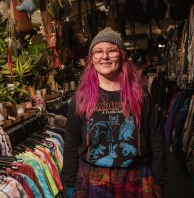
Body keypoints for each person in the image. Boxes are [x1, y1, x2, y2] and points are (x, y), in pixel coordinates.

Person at [61, 27, 167, 198]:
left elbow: (156, 137)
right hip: (93, 182)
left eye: (112, 51)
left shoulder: (141, 95)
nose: (105, 56)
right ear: (92, 59)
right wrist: (70, 182)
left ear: (122, 56)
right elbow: (72, 141)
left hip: (136, 178)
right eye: (98, 51)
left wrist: (160, 180)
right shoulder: (81, 97)